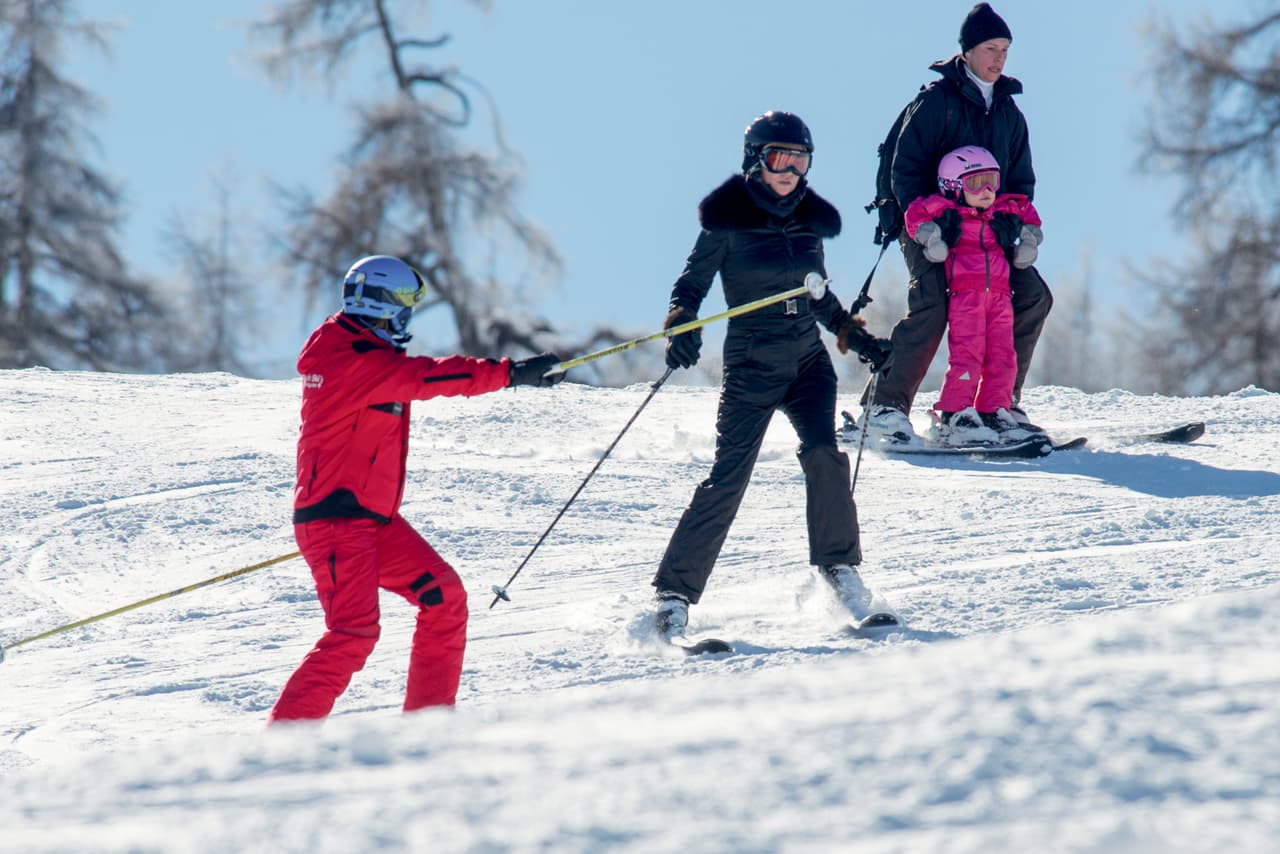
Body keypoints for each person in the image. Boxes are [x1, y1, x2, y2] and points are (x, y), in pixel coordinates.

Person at [269, 255, 565, 723]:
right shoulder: (351, 358)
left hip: (373, 521)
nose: (408, 317)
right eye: (405, 305)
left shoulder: (361, 352)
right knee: (353, 633)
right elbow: (431, 377)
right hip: (339, 521)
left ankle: (428, 728)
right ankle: (284, 742)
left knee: (444, 599)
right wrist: (510, 373)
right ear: (380, 305)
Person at [651, 111, 894, 636]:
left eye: (799, 158)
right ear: (755, 160)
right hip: (751, 363)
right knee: (729, 477)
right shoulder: (727, 219)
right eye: (778, 157)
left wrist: (857, 338)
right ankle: (674, 596)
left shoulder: (809, 220)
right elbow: (689, 287)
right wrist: (681, 325)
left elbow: (817, 293)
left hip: (807, 360)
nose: (789, 169)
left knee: (825, 456)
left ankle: (840, 570)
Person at [862, 2, 1053, 444]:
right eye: (991, 48)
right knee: (933, 302)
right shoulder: (936, 102)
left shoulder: (1008, 112)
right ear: (966, 52)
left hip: (988, 232)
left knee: (1032, 297)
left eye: (1005, 49)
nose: (999, 58)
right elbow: (904, 169)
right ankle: (885, 409)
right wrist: (928, 225)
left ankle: (997, 406)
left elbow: (1021, 179)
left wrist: (1013, 223)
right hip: (931, 228)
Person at [905, 145, 1043, 444]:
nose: (987, 191)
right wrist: (930, 237)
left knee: (1004, 357)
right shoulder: (949, 212)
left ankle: (995, 411)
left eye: (992, 181)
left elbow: (1027, 210)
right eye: (976, 184)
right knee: (968, 354)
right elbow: (915, 212)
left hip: (1001, 297)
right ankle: (955, 415)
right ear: (954, 187)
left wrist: (1029, 240)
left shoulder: (1002, 210)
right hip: (966, 297)